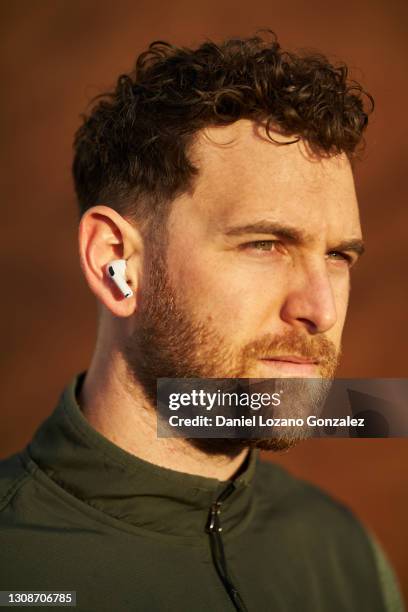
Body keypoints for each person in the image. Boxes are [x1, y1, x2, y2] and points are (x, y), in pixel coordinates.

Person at [0, 32, 404, 611]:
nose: (321, 310)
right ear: (116, 263)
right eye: (265, 244)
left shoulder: (344, 551)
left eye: (338, 256)